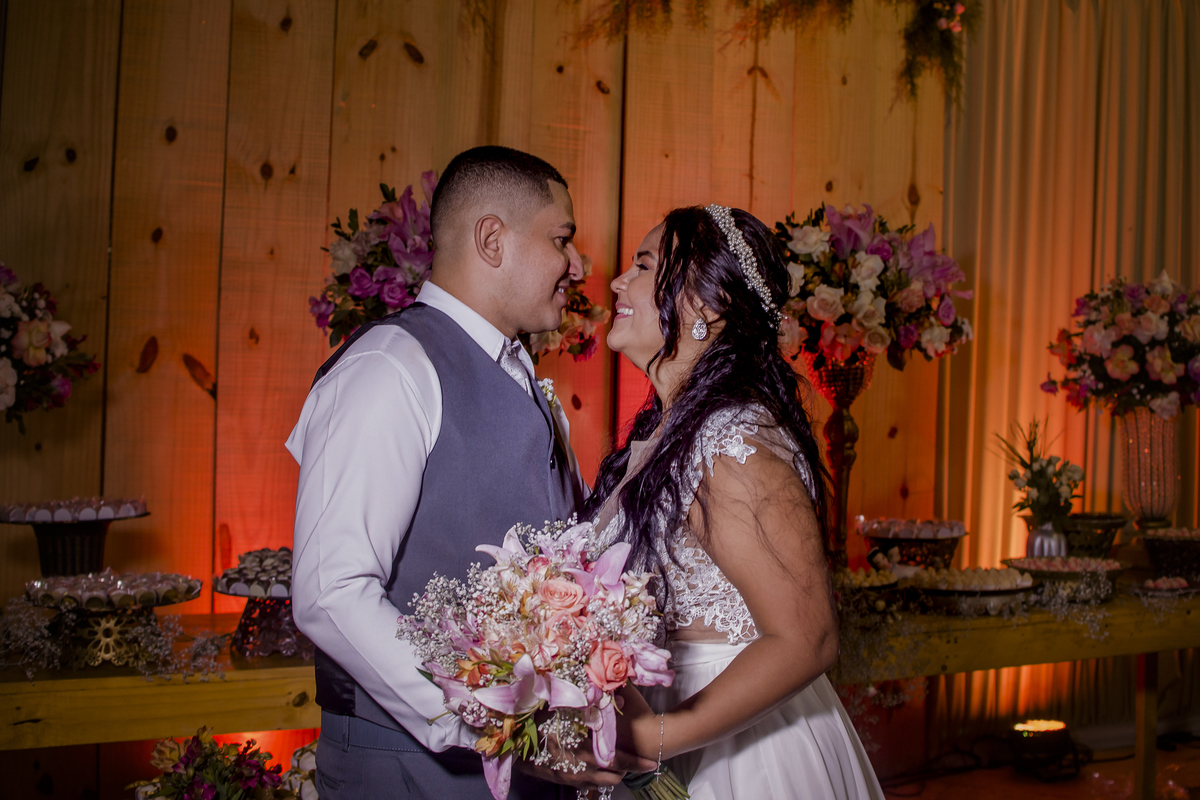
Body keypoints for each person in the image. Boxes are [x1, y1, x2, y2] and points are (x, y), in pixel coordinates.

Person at [287, 146, 652, 799]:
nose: (577, 267)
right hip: (405, 768)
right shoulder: (389, 368)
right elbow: (330, 590)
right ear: (492, 239)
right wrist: (503, 729)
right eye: (562, 240)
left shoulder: (526, 382)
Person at [587, 205, 885, 799]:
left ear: (706, 306)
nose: (619, 283)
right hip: (669, 719)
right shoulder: (666, 434)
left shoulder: (730, 444)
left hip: (748, 753)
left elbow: (808, 638)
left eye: (643, 266)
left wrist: (658, 738)